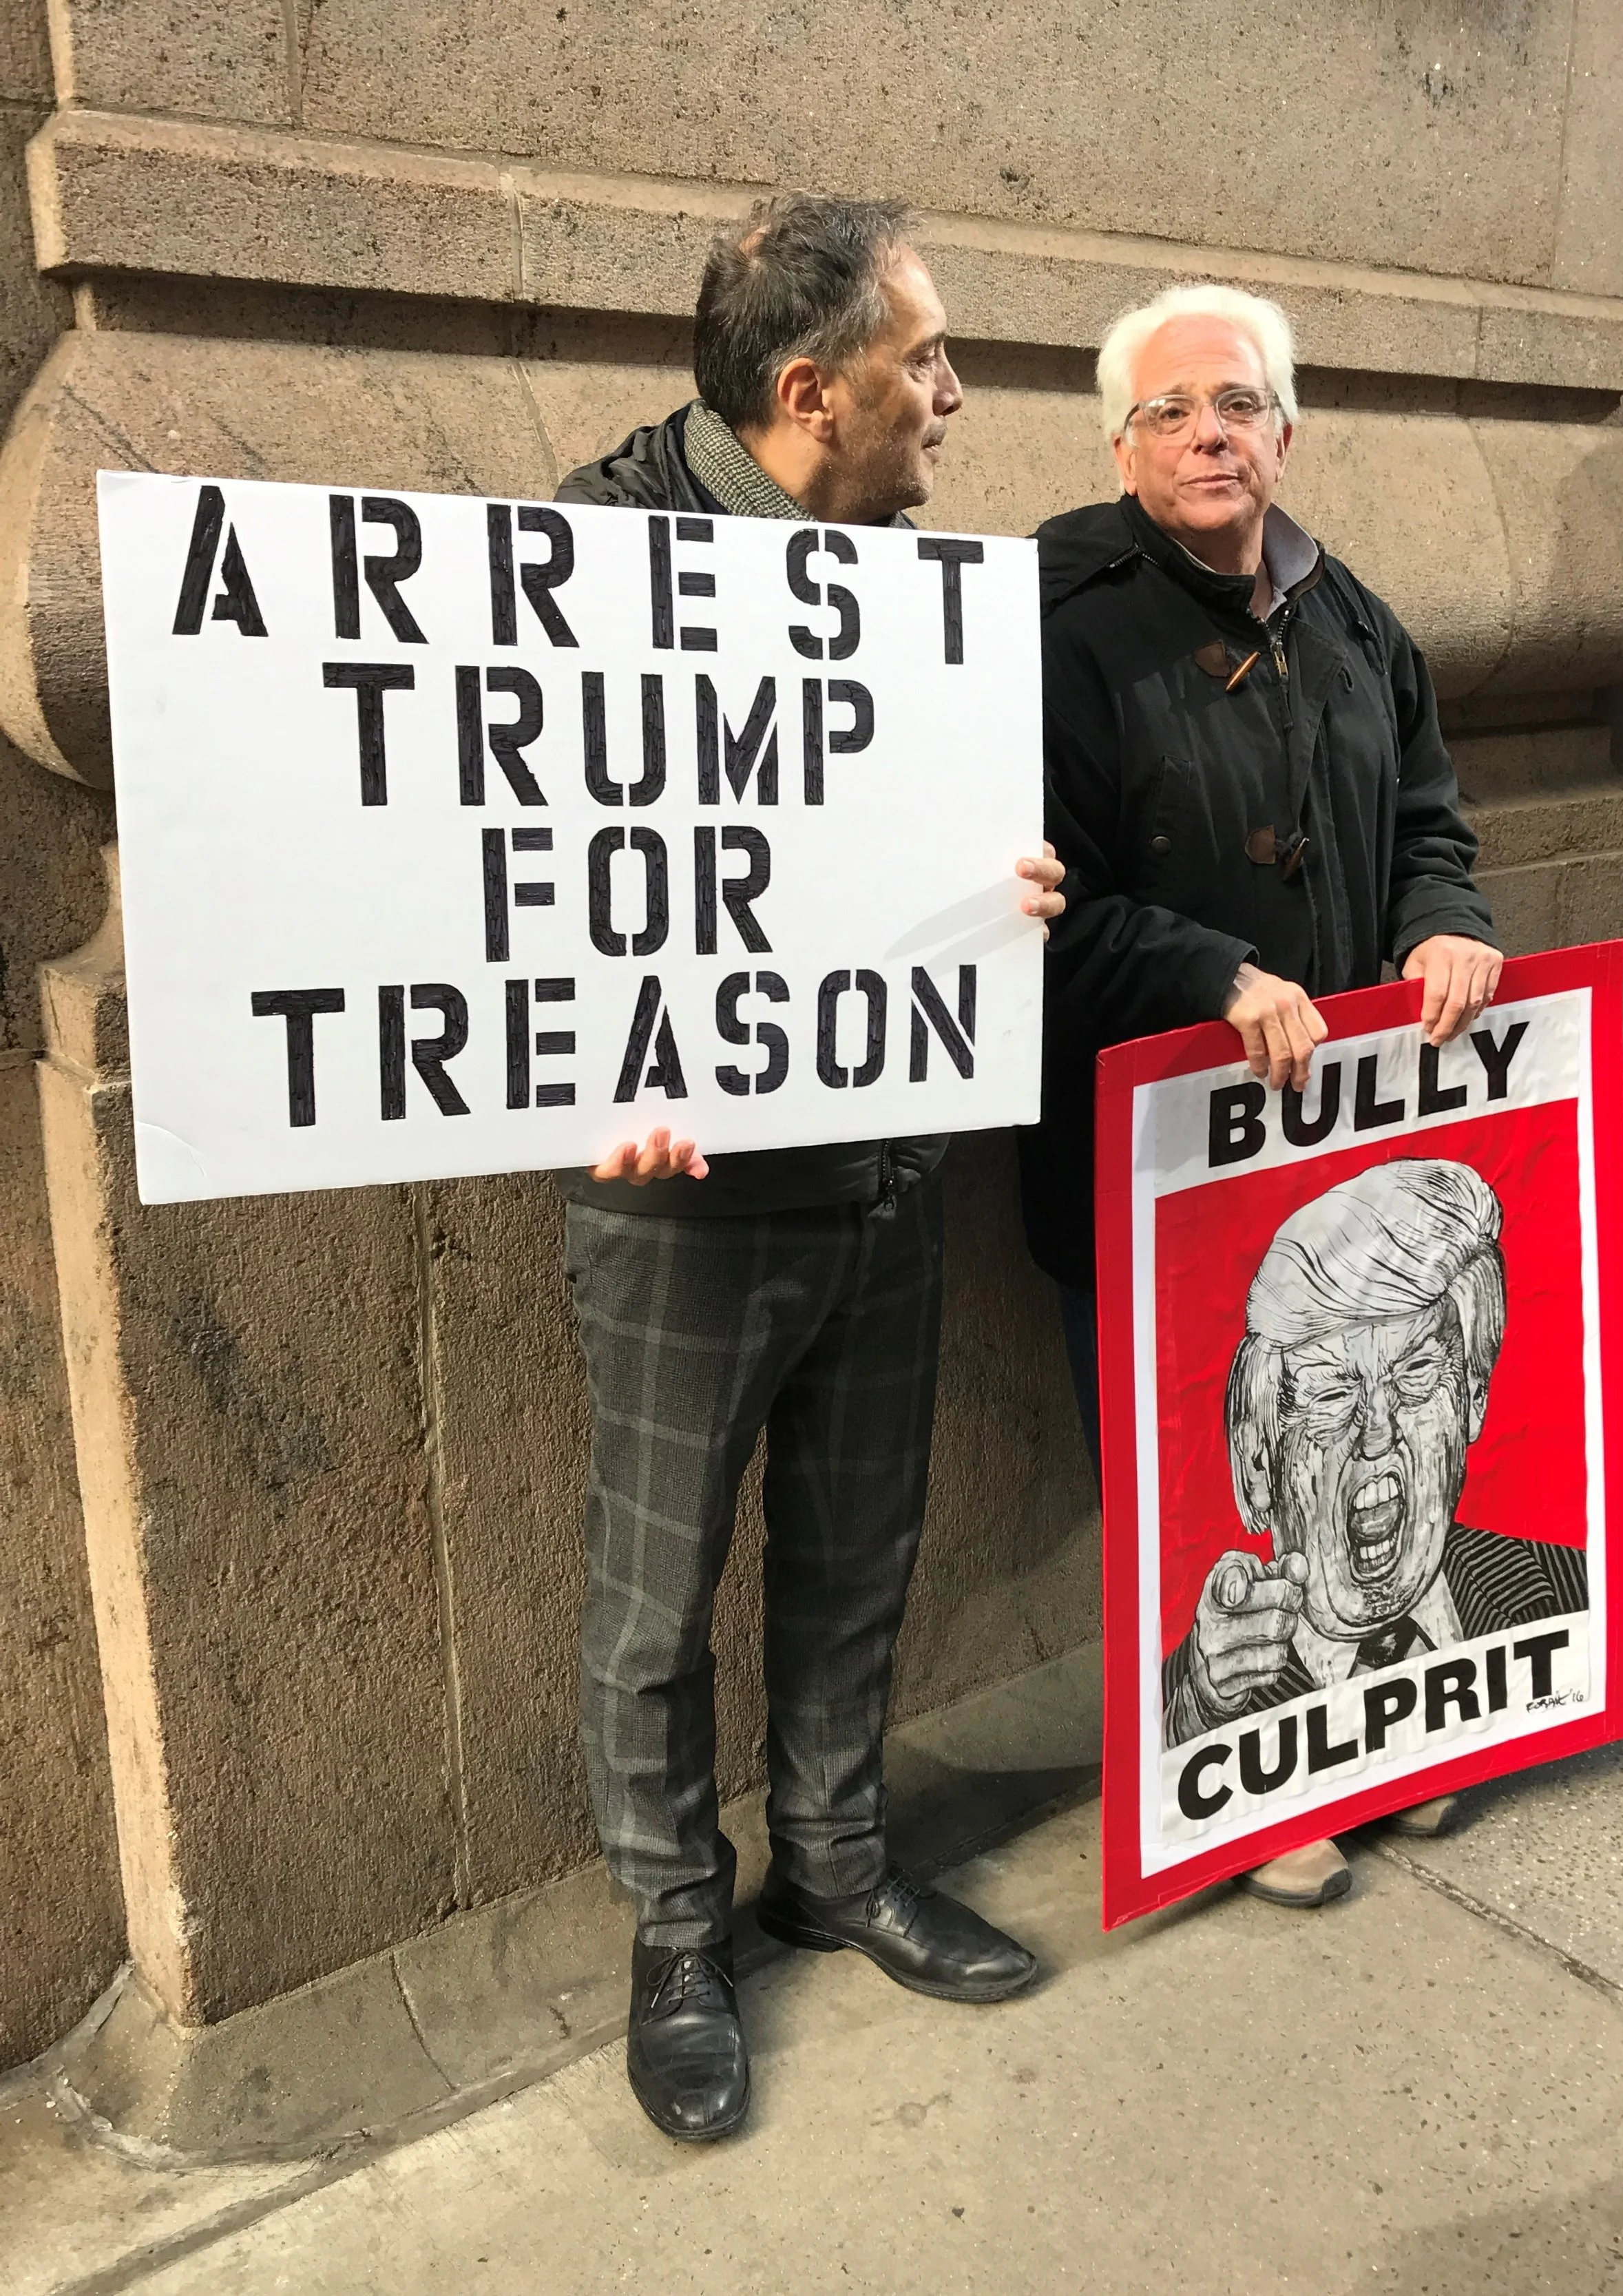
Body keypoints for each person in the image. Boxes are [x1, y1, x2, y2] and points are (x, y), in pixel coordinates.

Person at [554, 194, 1066, 2142]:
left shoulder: (917, 584)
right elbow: (502, 866)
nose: (951, 394)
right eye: (922, 359)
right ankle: (676, 1927)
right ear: (807, 391)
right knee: (651, 1594)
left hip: (878, 1165)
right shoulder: (582, 554)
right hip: (683, 1199)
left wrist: (995, 887)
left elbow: (893, 857)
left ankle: (833, 1861)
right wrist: (593, 1050)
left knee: (858, 1551)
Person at [1020, 282, 1502, 1908]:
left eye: (1235, 403)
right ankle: (1237, 1789)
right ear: (1119, 441)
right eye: (1169, 411)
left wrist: (1447, 920)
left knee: (1373, 1458)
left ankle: (1371, 1741)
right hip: (1145, 1148)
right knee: (1199, 1460)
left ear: (1285, 430)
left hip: (1342, 1158)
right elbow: (1030, 906)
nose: (1206, 433)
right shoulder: (1051, 622)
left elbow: (1433, 820)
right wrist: (1207, 970)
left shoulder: (1358, 621)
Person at [1164, 1160, 1587, 1748]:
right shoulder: (1202, 1691)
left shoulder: (1569, 1591)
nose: (1377, 1431)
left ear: (1473, 1398)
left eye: (1416, 1372)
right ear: (1259, 1456)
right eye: (1333, 1392)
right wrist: (1201, 1707)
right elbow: (1163, 1785)